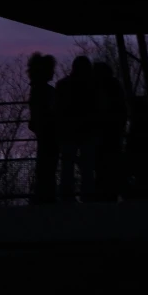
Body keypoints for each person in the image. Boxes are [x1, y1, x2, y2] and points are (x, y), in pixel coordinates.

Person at [55, 55, 96, 201]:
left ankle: (67, 196)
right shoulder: (92, 86)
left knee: (67, 166)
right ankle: (88, 196)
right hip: (87, 131)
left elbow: (58, 109)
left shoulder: (62, 85)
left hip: (68, 131)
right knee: (87, 166)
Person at [93, 62, 128, 201]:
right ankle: (112, 191)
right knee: (112, 162)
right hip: (113, 131)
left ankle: (103, 192)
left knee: (102, 163)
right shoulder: (115, 86)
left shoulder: (96, 88)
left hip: (103, 132)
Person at [27, 52, 59, 204]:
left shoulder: (37, 90)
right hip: (49, 131)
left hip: (44, 131)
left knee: (45, 164)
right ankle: (47, 195)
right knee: (48, 164)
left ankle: (44, 194)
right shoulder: (46, 91)